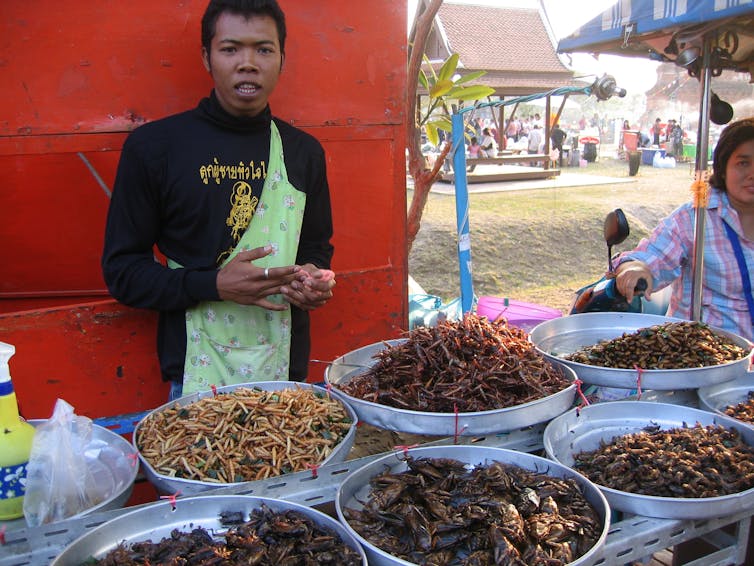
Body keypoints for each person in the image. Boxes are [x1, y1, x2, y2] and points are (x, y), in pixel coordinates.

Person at [101, 0, 336, 399]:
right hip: (195, 370)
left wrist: (312, 279)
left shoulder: (303, 152)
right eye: (230, 49)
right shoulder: (155, 148)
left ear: (282, 57)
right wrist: (212, 284)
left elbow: (315, 247)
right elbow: (123, 272)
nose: (248, 63)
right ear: (206, 57)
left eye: (264, 49)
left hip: (286, 376)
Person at [615, 116, 754, 342]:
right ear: (722, 167)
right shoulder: (696, 218)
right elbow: (653, 257)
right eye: (743, 163)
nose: (752, 173)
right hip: (704, 357)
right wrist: (637, 268)